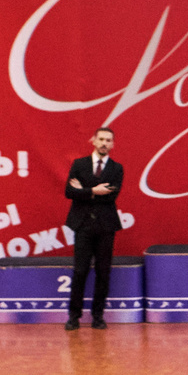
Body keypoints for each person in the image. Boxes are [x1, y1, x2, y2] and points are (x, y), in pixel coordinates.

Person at [63, 126, 126, 330]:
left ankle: (98, 316)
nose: (104, 143)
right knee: (80, 271)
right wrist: (93, 191)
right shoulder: (79, 164)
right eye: (101, 139)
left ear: (112, 145)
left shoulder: (117, 169)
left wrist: (85, 190)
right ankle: (74, 316)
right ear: (93, 140)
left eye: (108, 140)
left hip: (106, 226)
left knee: (103, 271)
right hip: (82, 225)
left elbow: (110, 195)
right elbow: (69, 191)